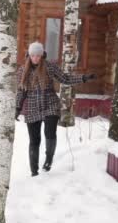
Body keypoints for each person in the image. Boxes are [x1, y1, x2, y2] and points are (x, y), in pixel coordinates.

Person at [16, 42, 96, 176]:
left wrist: (83, 78)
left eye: (38, 55)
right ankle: (34, 171)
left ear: (42, 55)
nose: (35, 58)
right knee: (34, 140)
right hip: (32, 107)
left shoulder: (50, 67)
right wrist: (17, 108)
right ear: (29, 55)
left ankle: (48, 161)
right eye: (33, 55)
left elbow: (65, 78)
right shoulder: (22, 71)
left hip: (50, 105)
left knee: (49, 133)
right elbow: (21, 91)